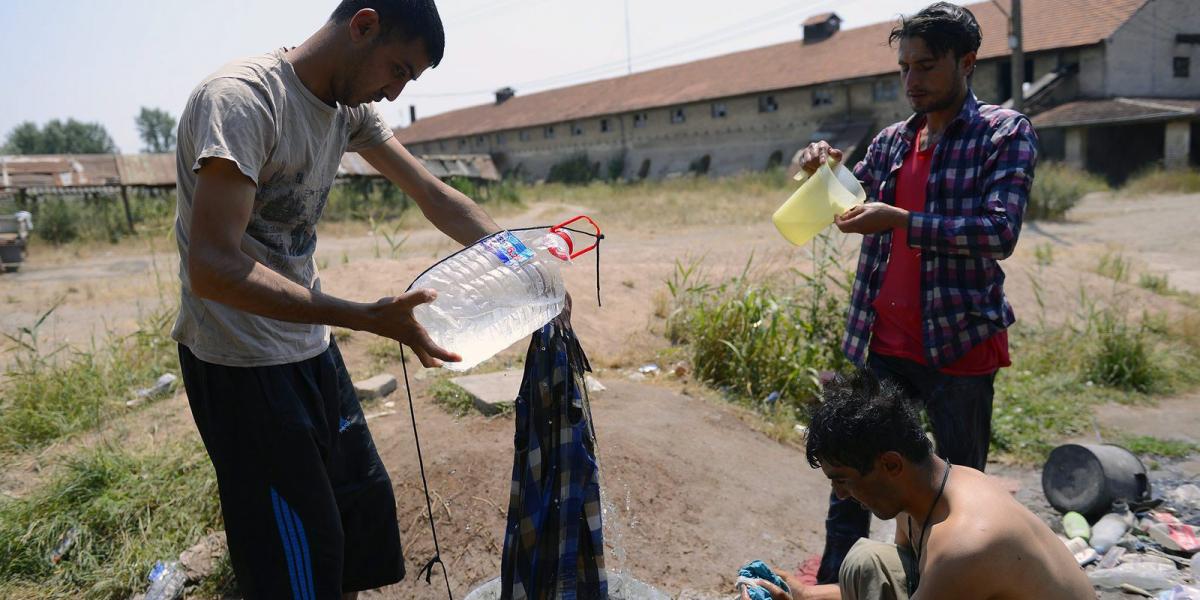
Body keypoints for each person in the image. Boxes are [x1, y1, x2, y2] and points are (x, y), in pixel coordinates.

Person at [171, 1, 524, 597]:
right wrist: (362, 317)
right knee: (298, 564)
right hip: (241, 367)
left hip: (309, 349)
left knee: (358, 528)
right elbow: (212, 267)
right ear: (363, 25)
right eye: (397, 70)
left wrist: (525, 266)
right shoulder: (243, 101)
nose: (393, 93)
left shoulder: (347, 110)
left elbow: (433, 195)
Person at [793, 2, 1038, 582]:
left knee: (952, 491)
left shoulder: (1002, 134)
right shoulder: (890, 142)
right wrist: (819, 169)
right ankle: (834, 585)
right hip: (883, 343)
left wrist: (901, 221)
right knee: (851, 475)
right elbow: (851, 202)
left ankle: (939, 584)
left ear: (967, 61)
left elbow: (998, 232)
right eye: (905, 67)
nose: (912, 80)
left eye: (926, 66)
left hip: (958, 347)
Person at [741, 371, 1093, 600]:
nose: (841, 495)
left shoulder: (964, 543)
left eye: (844, 480)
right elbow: (908, 578)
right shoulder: (921, 494)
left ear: (891, 463)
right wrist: (802, 594)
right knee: (868, 562)